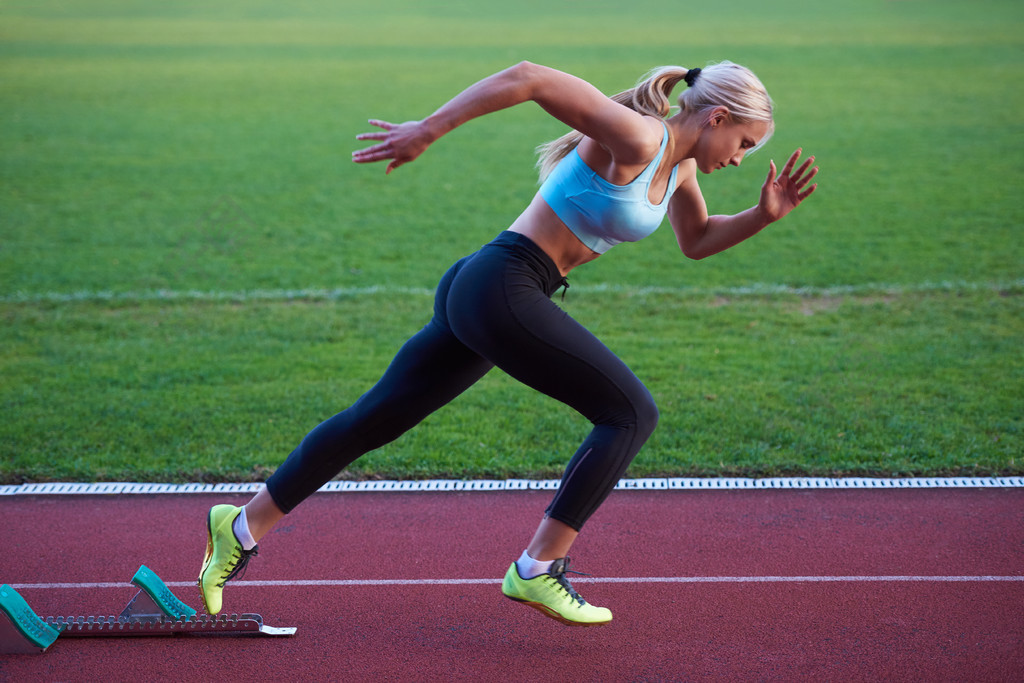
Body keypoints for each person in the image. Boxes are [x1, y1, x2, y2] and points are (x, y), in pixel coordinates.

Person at [198, 61, 818, 626]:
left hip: (492, 288)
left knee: (374, 420)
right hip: (504, 285)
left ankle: (242, 525)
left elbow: (698, 239)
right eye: (743, 143)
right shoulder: (641, 137)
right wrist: (429, 128)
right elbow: (529, 77)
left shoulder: (675, 165)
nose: (739, 159)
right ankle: (537, 569)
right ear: (717, 117)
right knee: (629, 414)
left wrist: (765, 214)